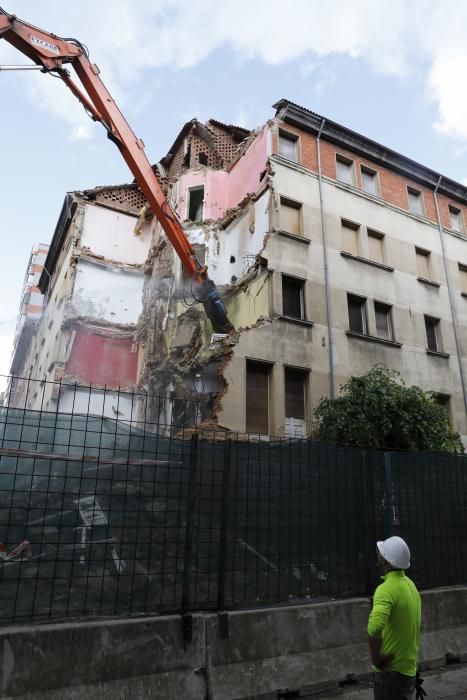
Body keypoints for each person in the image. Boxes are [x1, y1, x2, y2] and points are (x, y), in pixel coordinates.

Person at [367, 536, 421, 700]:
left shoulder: (386, 590)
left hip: (391, 673)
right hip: (408, 668)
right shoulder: (411, 586)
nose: (378, 554)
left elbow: (374, 627)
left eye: (380, 553)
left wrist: (377, 658)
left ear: (384, 561)